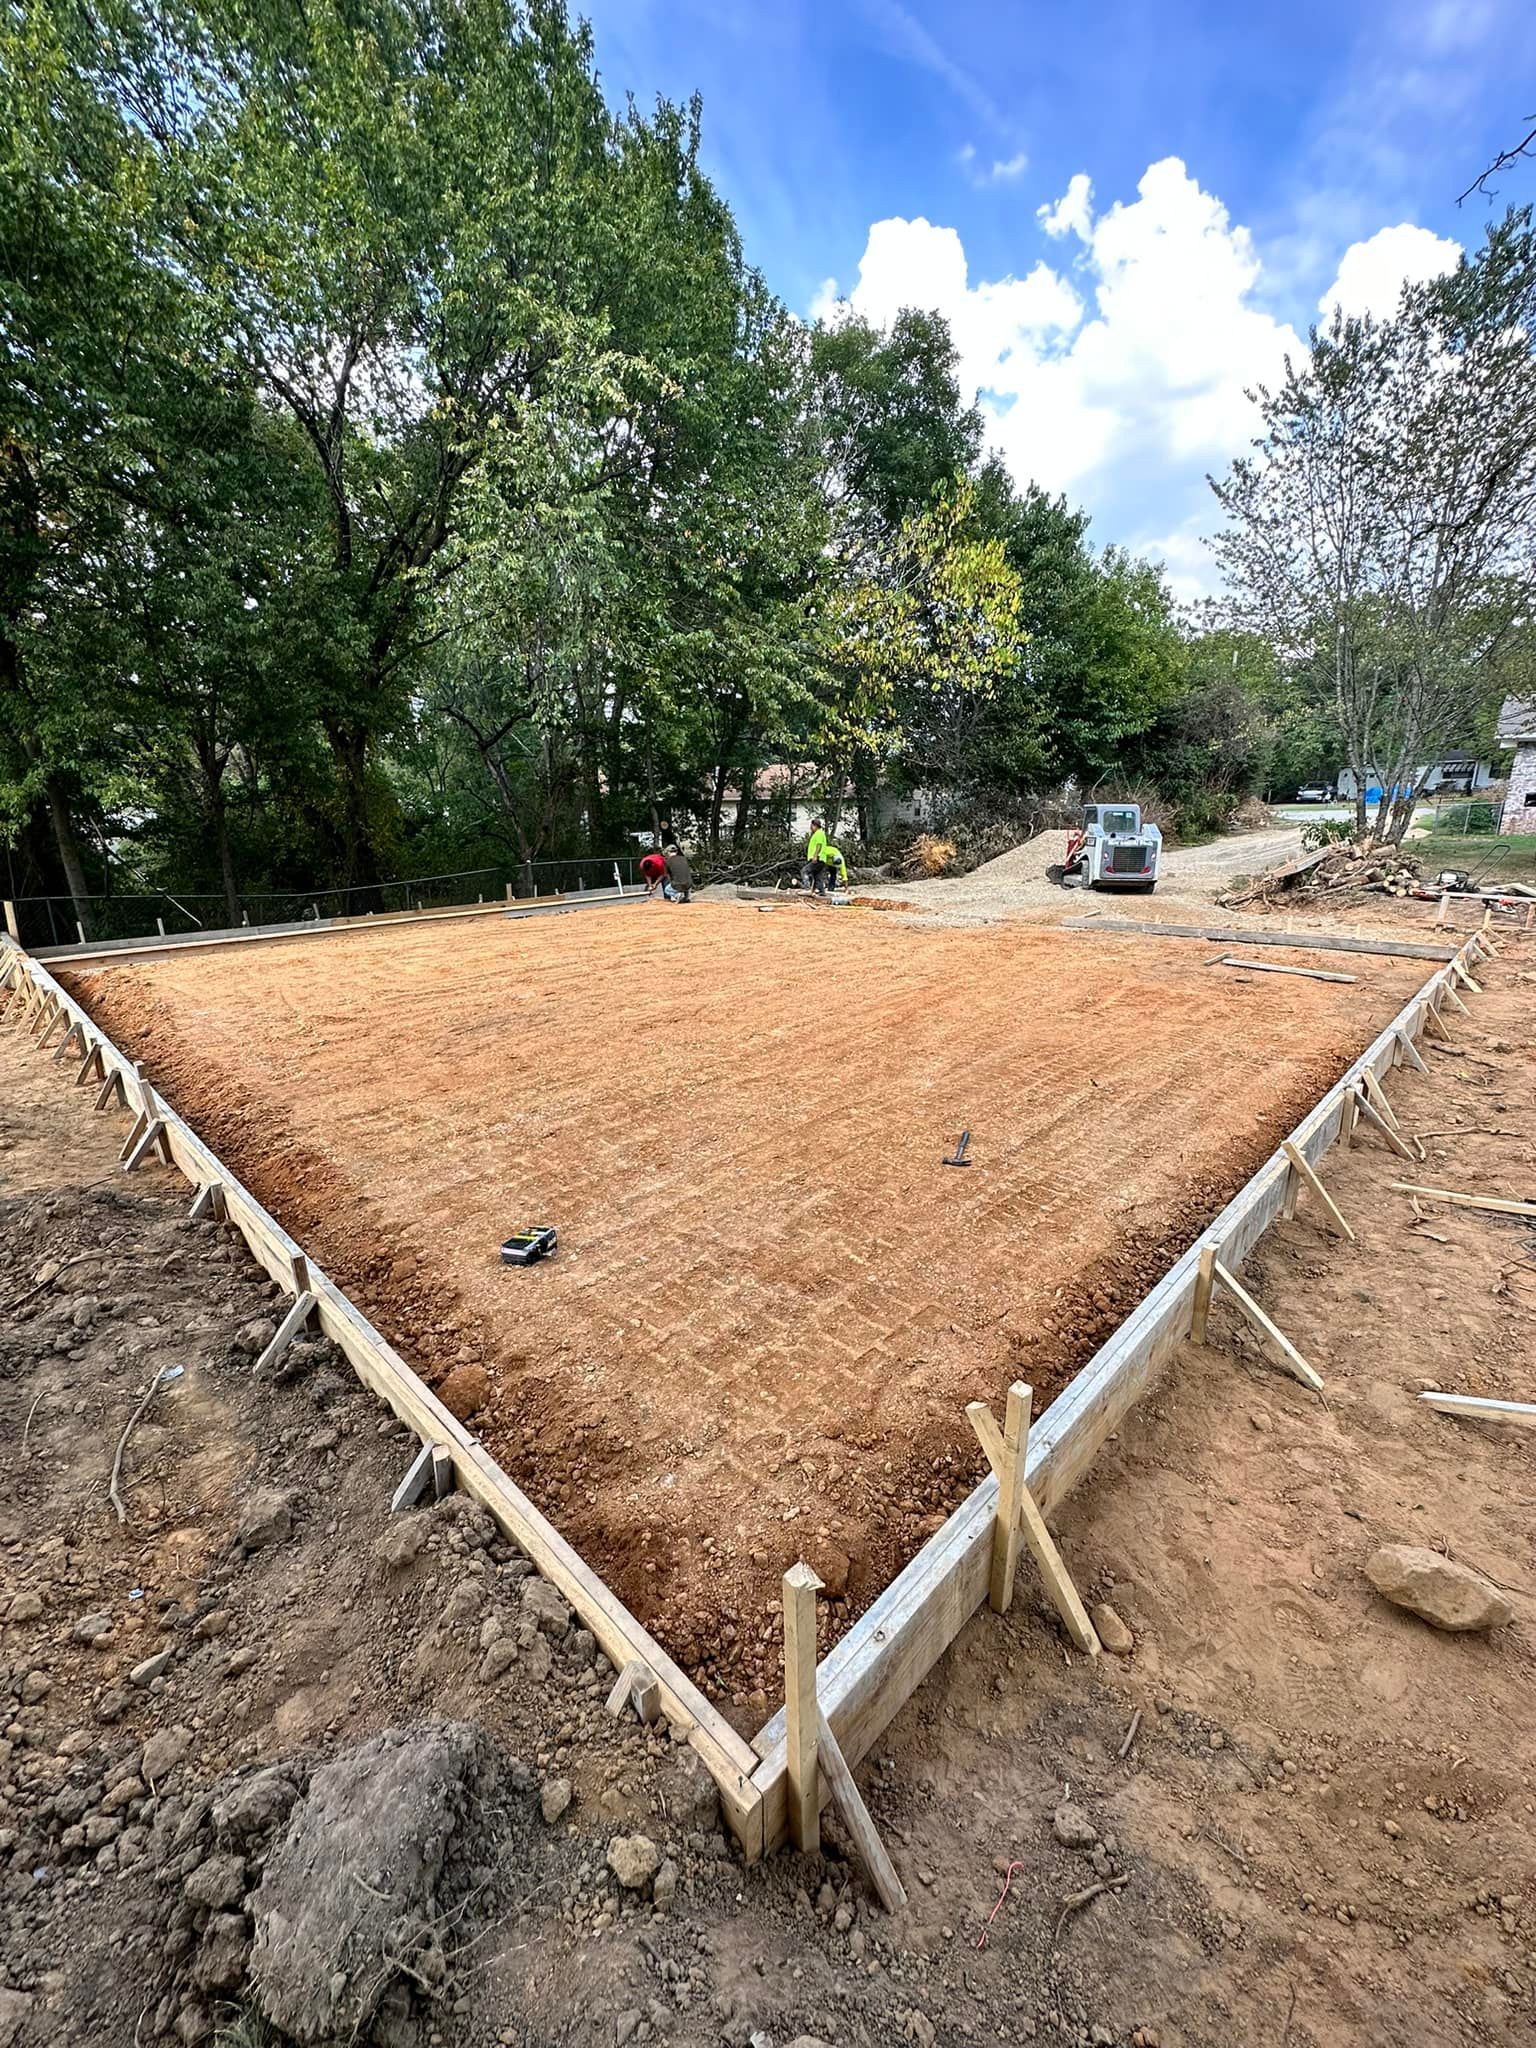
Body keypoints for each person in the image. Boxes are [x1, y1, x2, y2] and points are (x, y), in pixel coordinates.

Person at [805, 816, 830, 895]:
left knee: (804, 871)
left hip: (818, 858)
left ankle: (807, 889)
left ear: (815, 826)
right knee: (817, 876)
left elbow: (819, 845)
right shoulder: (819, 834)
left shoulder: (819, 833)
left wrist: (815, 856)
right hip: (821, 859)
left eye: (811, 826)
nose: (810, 828)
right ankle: (822, 892)